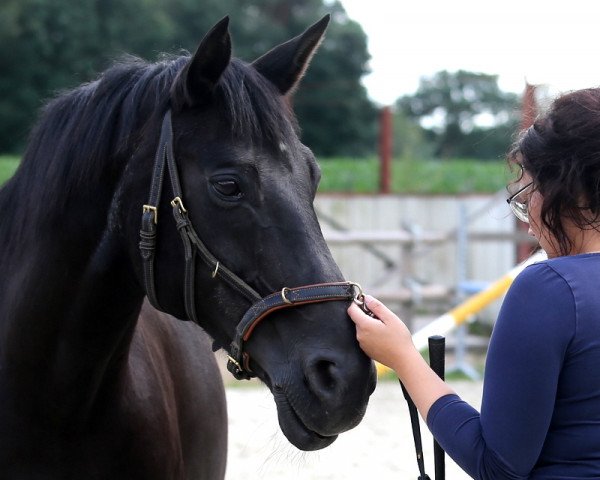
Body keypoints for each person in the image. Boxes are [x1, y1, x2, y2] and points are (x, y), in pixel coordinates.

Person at [348, 87, 600, 479]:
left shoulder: (551, 289)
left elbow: (497, 466)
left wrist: (402, 356)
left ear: (570, 189)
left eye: (528, 193)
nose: (527, 219)